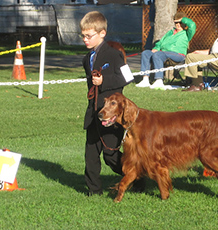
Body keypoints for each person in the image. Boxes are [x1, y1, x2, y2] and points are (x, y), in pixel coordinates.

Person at [80, 11, 144, 196]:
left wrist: (105, 81)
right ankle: (94, 191)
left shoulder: (114, 55)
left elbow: (127, 77)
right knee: (91, 155)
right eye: (83, 36)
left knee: (110, 156)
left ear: (102, 33)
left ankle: (137, 178)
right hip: (93, 113)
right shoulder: (87, 59)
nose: (85, 39)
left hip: (111, 114)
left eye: (89, 36)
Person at [136, 12, 196, 89]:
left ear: (184, 22)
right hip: (163, 53)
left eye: (180, 22)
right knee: (146, 53)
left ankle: (159, 80)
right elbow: (160, 42)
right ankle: (145, 79)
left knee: (158, 55)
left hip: (178, 55)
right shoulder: (170, 33)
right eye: (176, 22)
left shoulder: (187, 33)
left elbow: (192, 25)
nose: (178, 24)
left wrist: (183, 19)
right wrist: (156, 48)